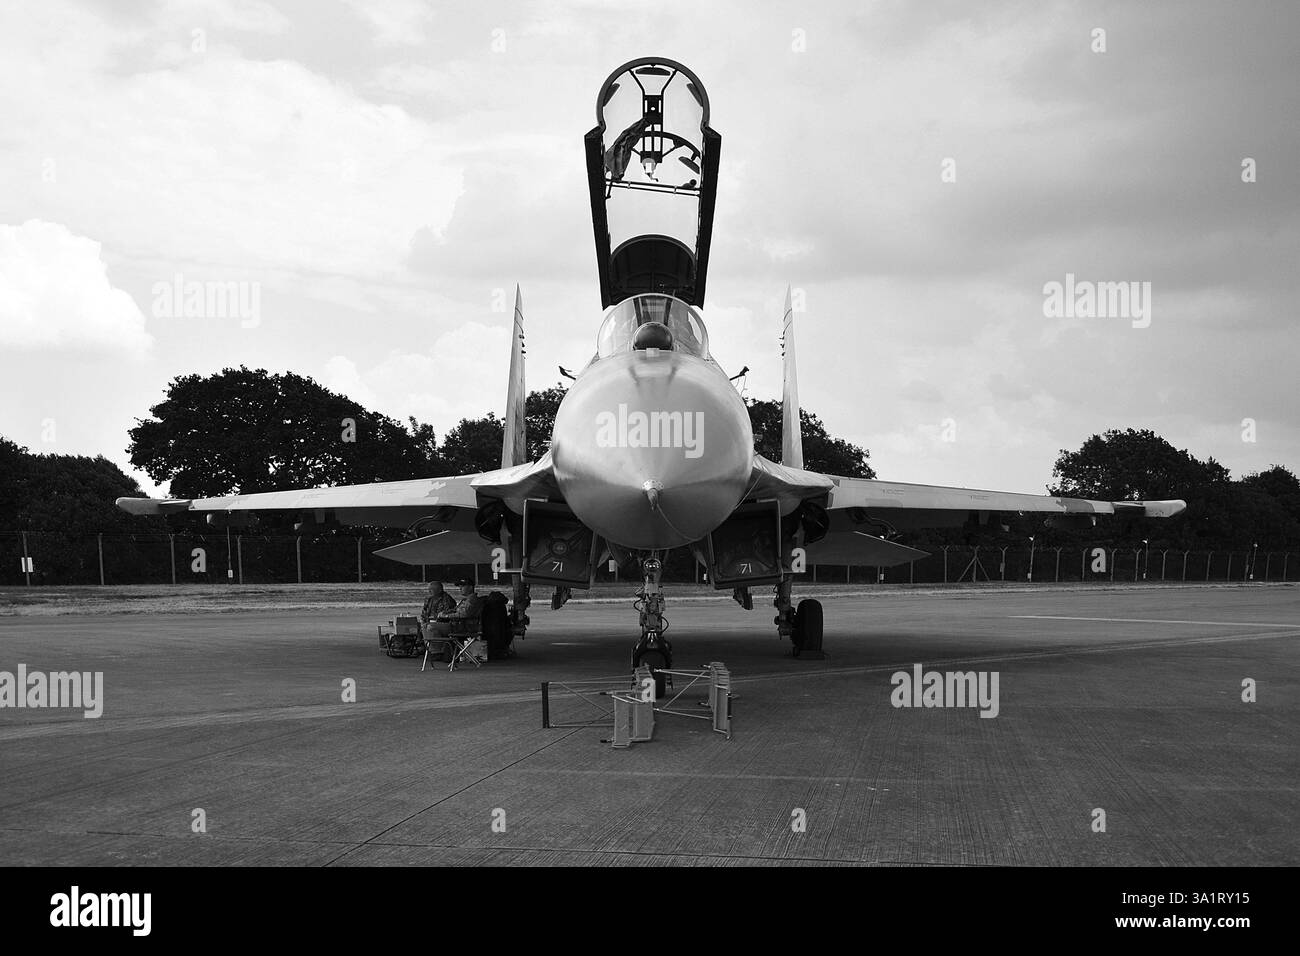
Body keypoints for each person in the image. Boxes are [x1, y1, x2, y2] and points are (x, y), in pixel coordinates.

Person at [424, 577, 485, 646]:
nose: (460, 588)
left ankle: (436, 652)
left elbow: (464, 614)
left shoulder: (472, 600)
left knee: (430, 627)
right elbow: (455, 610)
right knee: (427, 625)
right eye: (460, 586)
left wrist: (446, 616)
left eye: (463, 586)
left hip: (463, 628)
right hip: (458, 626)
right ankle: (437, 649)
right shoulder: (466, 600)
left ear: (471, 587)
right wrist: (444, 613)